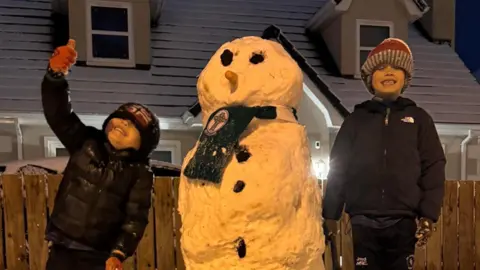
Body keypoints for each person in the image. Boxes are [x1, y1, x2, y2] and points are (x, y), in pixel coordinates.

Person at [322, 38, 446, 270]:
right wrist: (331, 213)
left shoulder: (419, 119)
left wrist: (428, 214)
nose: (388, 72)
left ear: (405, 77)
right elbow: (339, 168)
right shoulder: (355, 121)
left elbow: (434, 166)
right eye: (380, 68)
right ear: (370, 79)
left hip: (403, 220)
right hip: (362, 220)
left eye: (395, 67)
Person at [42, 39, 160, 270]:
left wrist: (119, 252)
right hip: (63, 245)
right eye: (121, 117)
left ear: (143, 144)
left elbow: (135, 219)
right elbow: (59, 114)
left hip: (98, 254)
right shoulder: (86, 142)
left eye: (133, 125)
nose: (123, 124)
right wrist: (54, 77)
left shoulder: (139, 173)